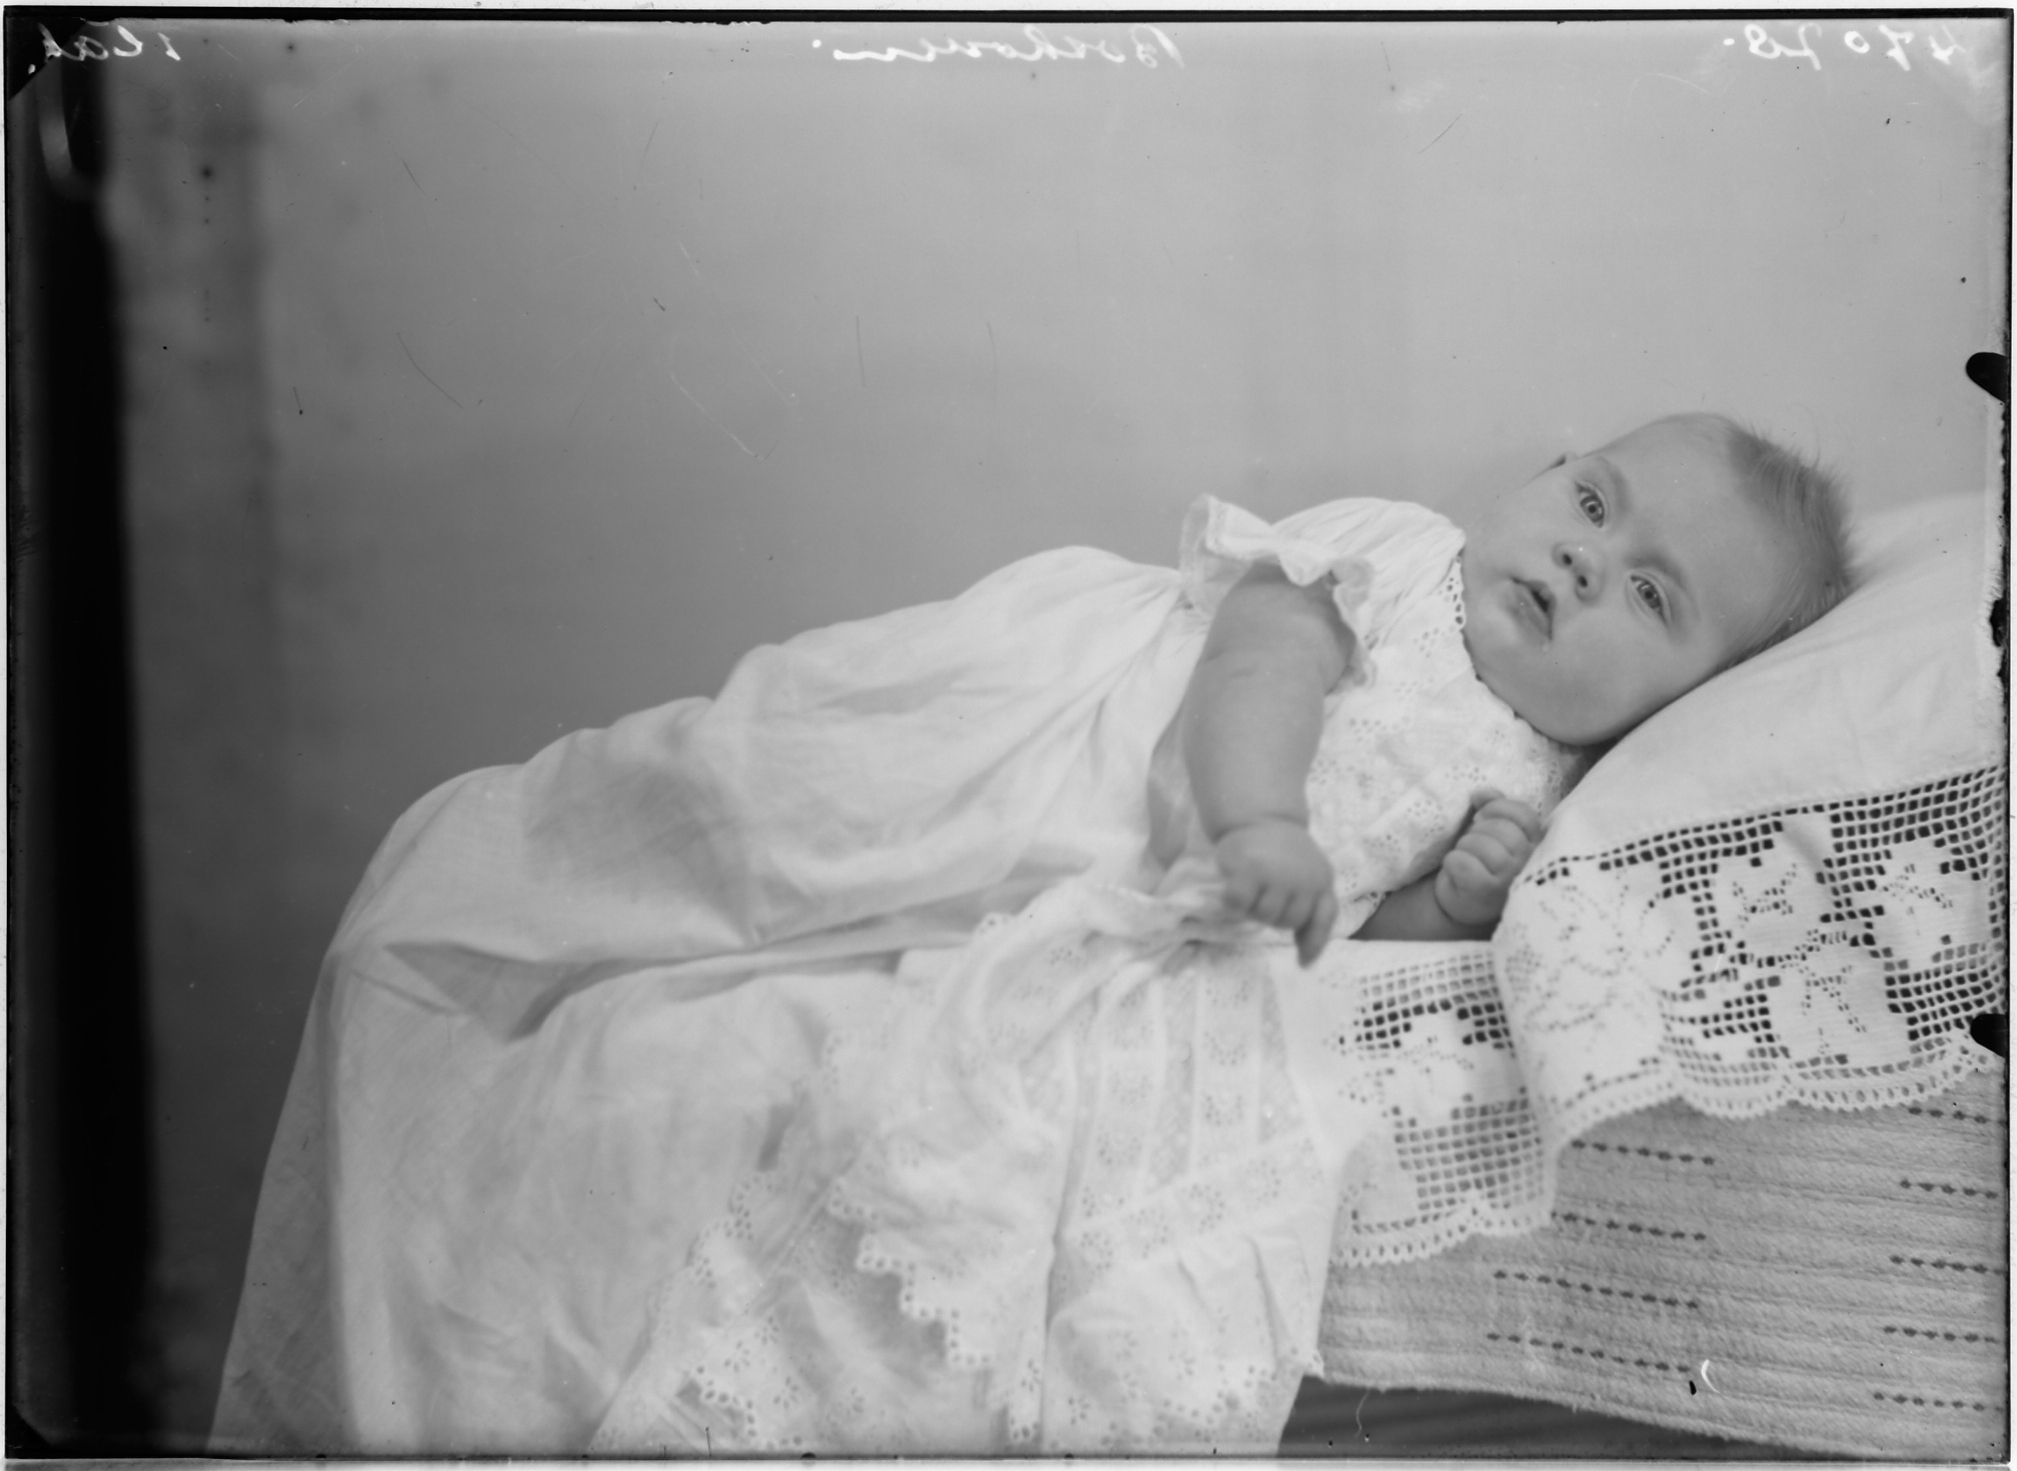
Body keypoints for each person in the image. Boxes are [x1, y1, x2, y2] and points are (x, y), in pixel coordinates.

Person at [213, 414, 1852, 1457]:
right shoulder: (1405, 559)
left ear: (1678, 699)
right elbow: (1260, 661)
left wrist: (1457, 905)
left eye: (1651, 595)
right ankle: (541, 875)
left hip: (1155, 899)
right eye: (1591, 499)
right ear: (1547, 470)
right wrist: (1254, 818)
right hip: (1086, 747)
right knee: (795, 802)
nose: (1581, 558)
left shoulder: (1539, 781)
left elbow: (1348, 928)